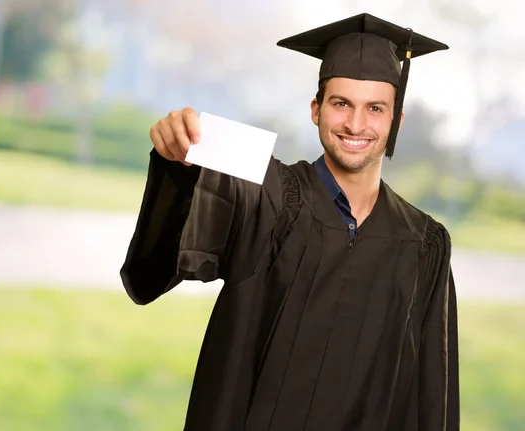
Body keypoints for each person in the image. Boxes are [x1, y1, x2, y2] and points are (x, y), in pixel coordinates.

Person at [121, 12, 459, 431]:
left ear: (395, 120)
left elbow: (430, 398)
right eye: (341, 104)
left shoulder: (424, 243)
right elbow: (150, 272)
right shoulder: (269, 195)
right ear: (316, 110)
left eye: (375, 108)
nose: (356, 124)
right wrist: (180, 163)